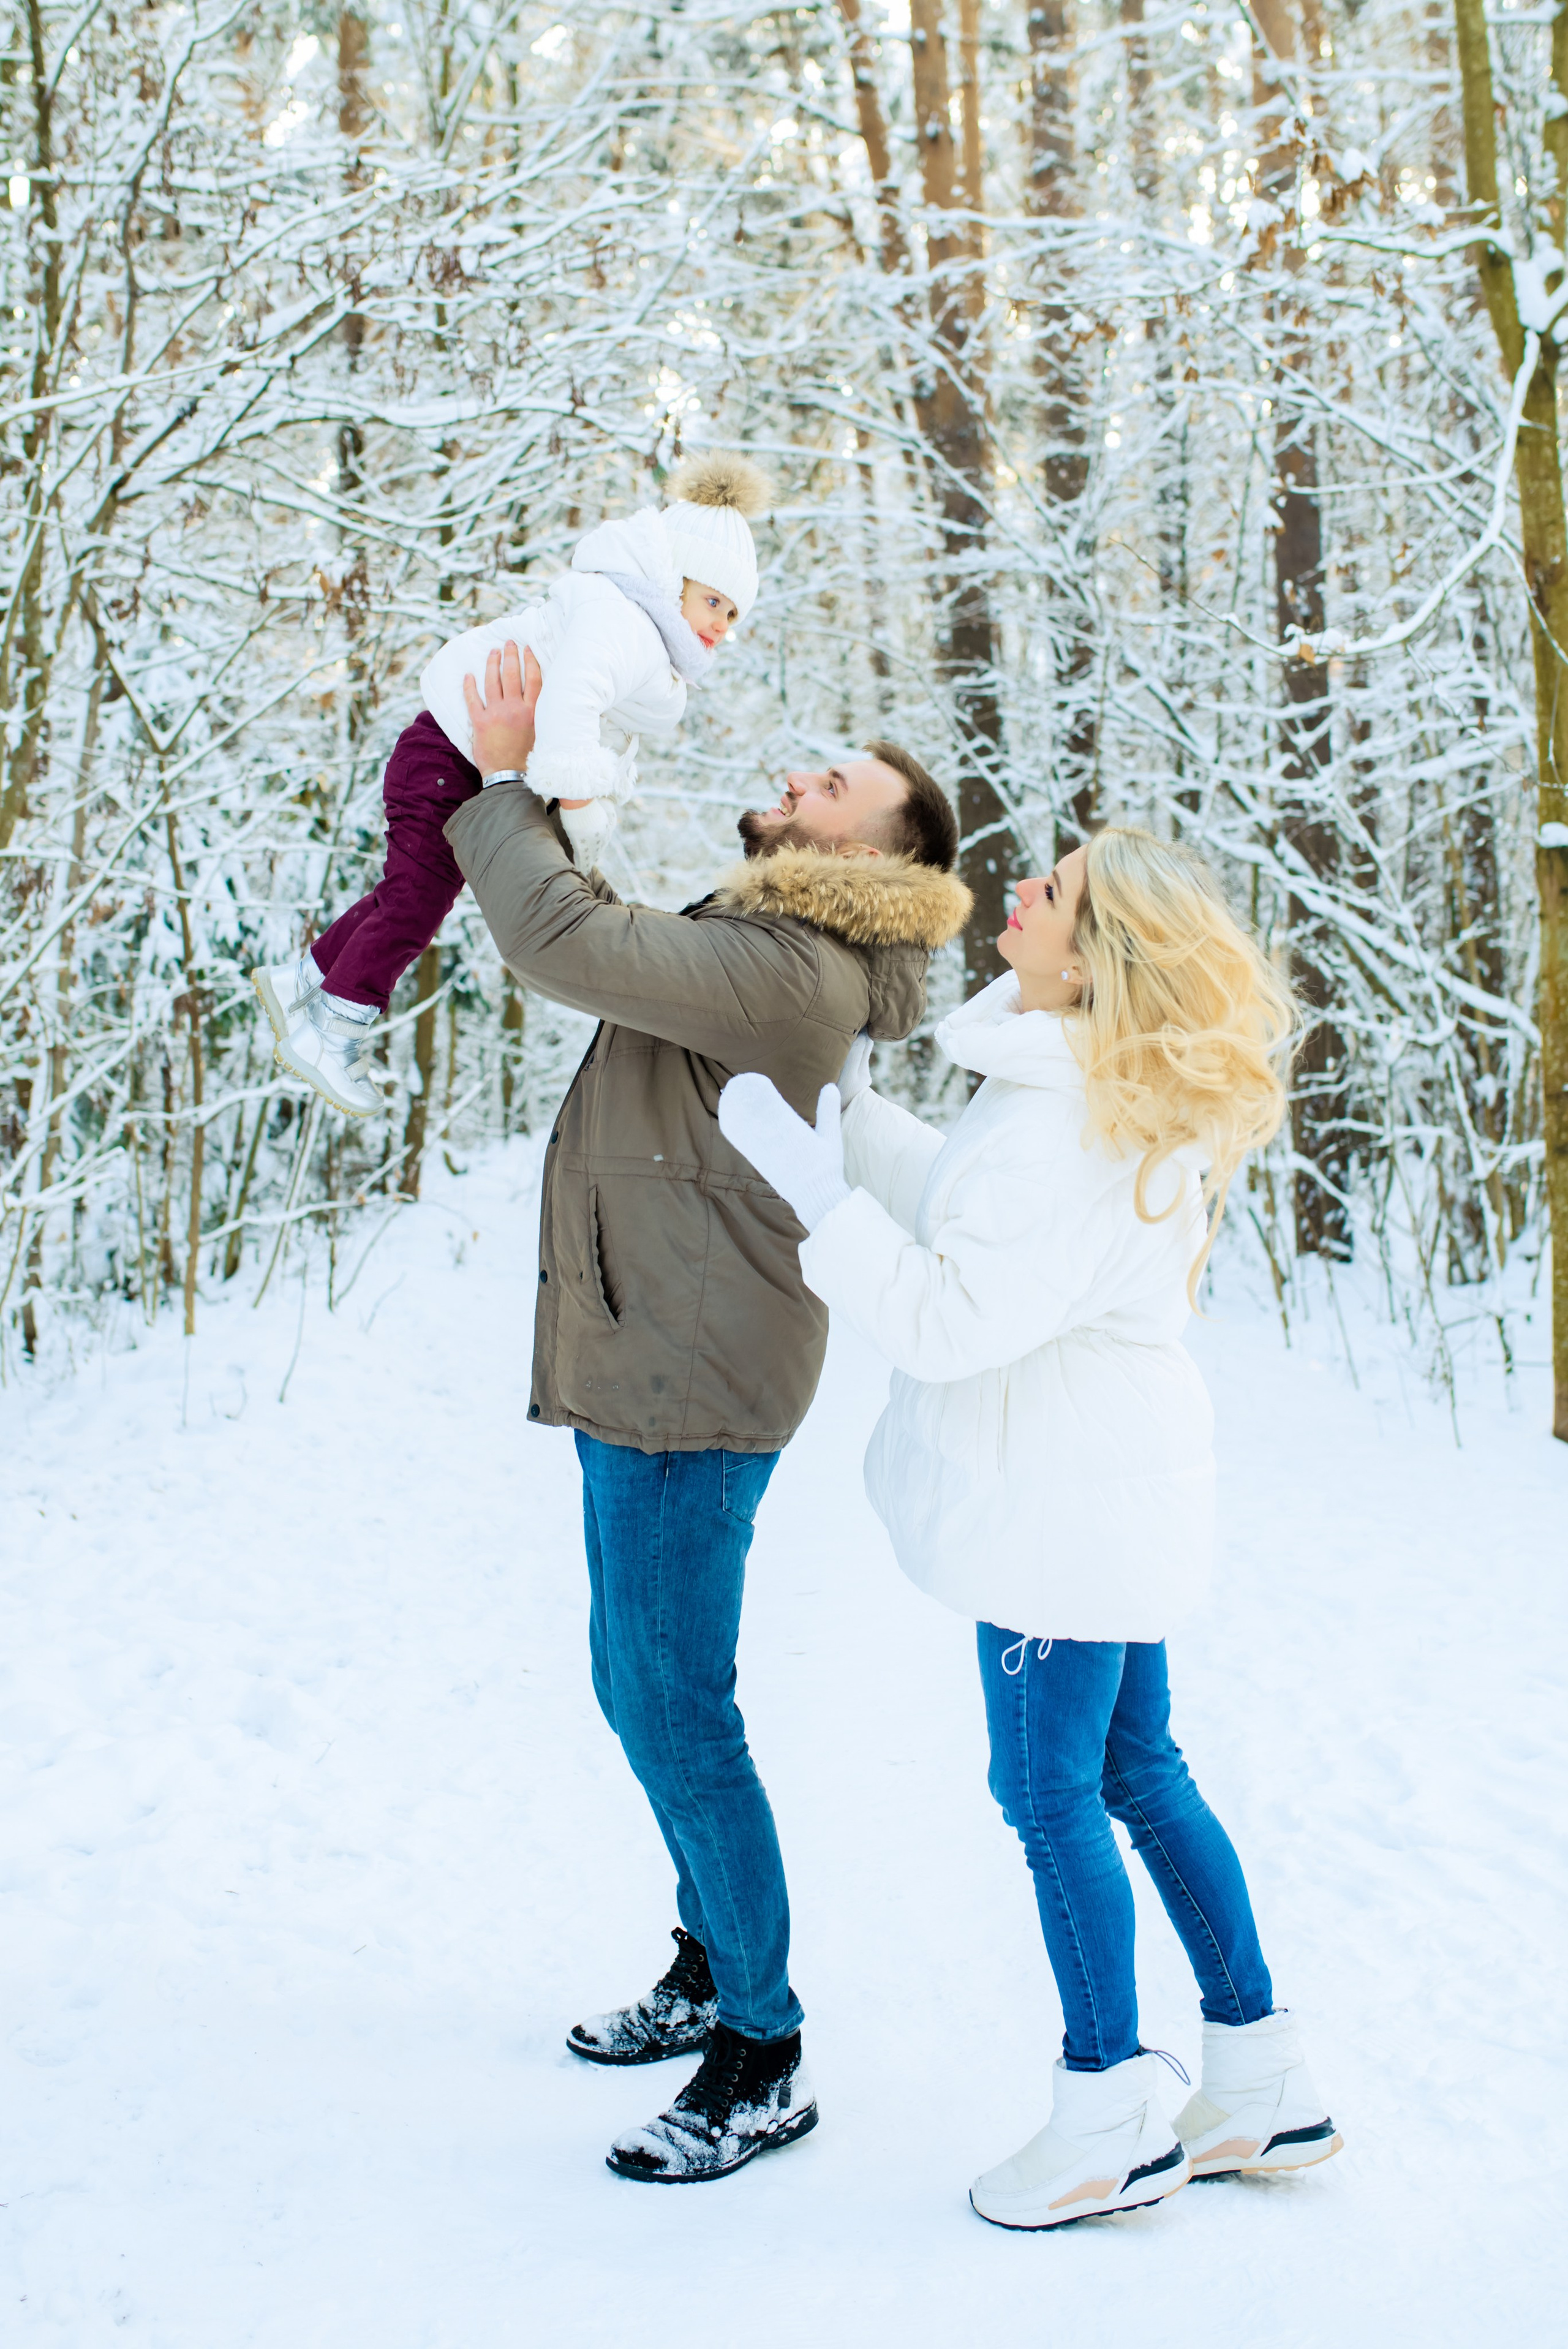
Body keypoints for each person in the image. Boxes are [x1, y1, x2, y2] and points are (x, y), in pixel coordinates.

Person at [718, 826, 1344, 2230]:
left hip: (1057, 1509)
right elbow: (979, 1212)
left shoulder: (1067, 1123)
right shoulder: (1087, 1098)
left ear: (1094, 952)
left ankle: (1104, 2114)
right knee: (1135, 1765)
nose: (1019, 887)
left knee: (1050, 1789)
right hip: (1110, 1492)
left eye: (1049, 889)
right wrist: (857, 1119)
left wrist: (818, 1193)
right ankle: (1260, 2073)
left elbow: (949, 1314)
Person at [449, 639, 970, 2184]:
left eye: (834, 785)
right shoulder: (766, 938)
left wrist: (499, 777)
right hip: (648, 1341)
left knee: (677, 1703)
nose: (798, 777)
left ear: (875, 856)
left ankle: (764, 2041)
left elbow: (558, 935)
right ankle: (707, 1956)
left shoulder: (792, 972)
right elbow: (598, 938)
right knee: (637, 1683)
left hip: (691, 1369)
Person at [250, 453, 769, 1114]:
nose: (722, 625)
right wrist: (579, 810)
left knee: (409, 893)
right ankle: (334, 1028)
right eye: (714, 601)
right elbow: (569, 708)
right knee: (417, 903)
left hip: (445, 751)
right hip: (450, 753)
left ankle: (306, 977)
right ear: (673, 580)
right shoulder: (627, 623)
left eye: (733, 616)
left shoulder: (628, 619)